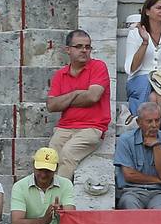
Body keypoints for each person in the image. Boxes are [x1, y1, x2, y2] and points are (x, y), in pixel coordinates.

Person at [46, 29, 112, 179]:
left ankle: (60, 199)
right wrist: (76, 93)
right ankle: (45, 197)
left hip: (92, 127)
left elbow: (93, 97)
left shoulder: (98, 66)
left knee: (67, 154)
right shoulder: (60, 74)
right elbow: (51, 106)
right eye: (79, 46)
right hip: (64, 127)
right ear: (68, 50)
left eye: (88, 47)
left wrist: (65, 101)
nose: (84, 50)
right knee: (48, 158)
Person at [123, 0, 161, 134]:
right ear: (148, 11)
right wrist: (144, 42)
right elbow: (131, 68)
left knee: (154, 96)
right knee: (152, 81)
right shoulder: (135, 34)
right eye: (158, 8)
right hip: (139, 80)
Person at [114, 103, 161, 210]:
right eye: (149, 121)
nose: (154, 125)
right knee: (130, 205)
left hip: (160, 193)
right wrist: (159, 181)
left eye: (157, 120)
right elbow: (129, 175)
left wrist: (156, 146)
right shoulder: (125, 140)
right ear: (139, 122)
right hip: (132, 191)